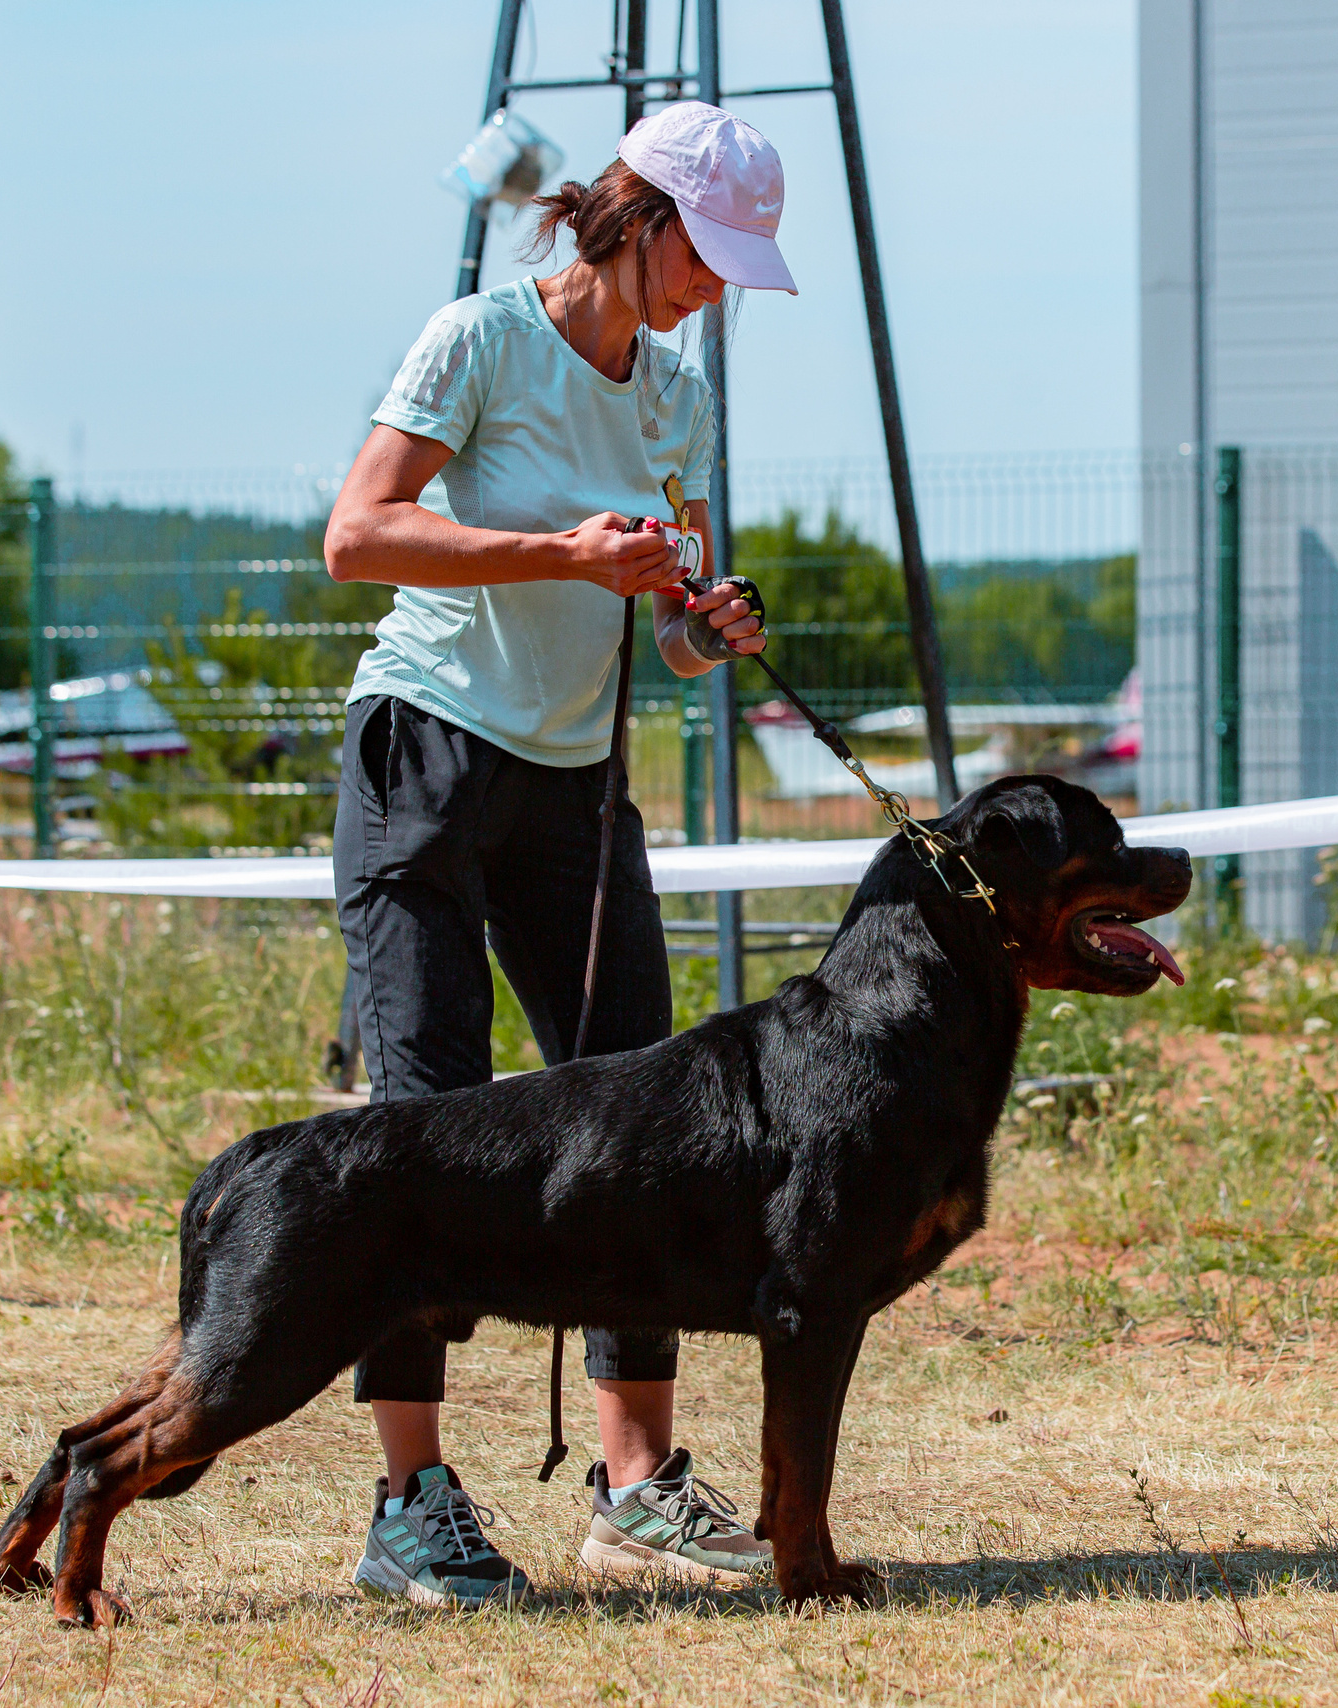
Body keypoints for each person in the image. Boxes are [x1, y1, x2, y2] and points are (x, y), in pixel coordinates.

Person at [321, 101, 795, 1607]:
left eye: (736, 267)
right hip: (429, 748)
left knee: (650, 1124)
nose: (717, 287)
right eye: (707, 255)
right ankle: (411, 1503)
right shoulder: (477, 339)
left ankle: (637, 1487)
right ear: (637, 217)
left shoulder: (680, 395)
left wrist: (702, 625)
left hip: (578, 785)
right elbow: (358, 536)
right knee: (427, 1123)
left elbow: (671, 614)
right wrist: (559, 555)